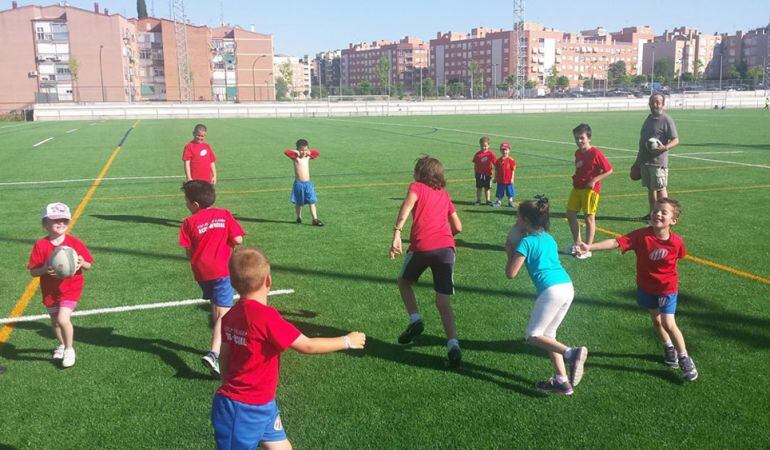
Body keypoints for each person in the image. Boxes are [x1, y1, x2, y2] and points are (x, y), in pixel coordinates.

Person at [211, 247, 366, 450]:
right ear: (268, 281)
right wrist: (347, 340)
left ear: (232, 284)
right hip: (242, 409)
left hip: (263, 405)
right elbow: (308, 345)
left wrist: (228, 382)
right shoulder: (267, 318)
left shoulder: (230, 315)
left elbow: (225, 357)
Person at [576, 198, 697, 381]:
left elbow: (679, 257)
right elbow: (616, 242)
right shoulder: (641, 235)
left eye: (664, 212)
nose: (657, 214)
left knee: (668, 323)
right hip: (645, 287)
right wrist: (589, 246)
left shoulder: (677, 242)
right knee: (656, 322)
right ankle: (668, 347)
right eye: (656, 210)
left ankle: (684, 357)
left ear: (673, 221)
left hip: (667, 288)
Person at [505, 196, 587, 395]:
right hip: (567, 286)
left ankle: (571, 353)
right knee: (549, 335)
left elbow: (511, 273)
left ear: (524, 219)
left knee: (533, 335)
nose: (516, 220)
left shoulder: (526, 242)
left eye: (518, 217)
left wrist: (510, 248)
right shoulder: (548, 238)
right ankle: (561, 381)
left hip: (552, 291)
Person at [389, 156, 463, 367]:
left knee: (404, 282)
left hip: (422, 247)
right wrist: (443, 237)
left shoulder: (417, 187)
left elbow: (406, 206)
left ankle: (415, 319)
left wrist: (396, 233)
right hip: (446, 249)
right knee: (443, 302)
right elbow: (458, 227)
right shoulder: (444, 194)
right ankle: (453, 344)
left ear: (420, 173)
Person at [179, 180, 246, 375]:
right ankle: (215, 354)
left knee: (217, 308)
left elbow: (188, 251)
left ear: (195, 205)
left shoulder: (188, 222)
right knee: (224, 314)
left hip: (201, 272)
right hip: (222, 270)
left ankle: (222, 346)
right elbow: (238, 239)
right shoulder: (224, 214)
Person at [27, 202, 94, 369]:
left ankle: (70, 349)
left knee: (64, 319)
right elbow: (33, 272)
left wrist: (81, 262)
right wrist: (44, 269)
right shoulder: (40, 245)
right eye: (56, 220)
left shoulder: (75, 242)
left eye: (64, 220)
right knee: (55, 322)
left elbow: (88, 265)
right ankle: (62, 344)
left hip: (71, 288)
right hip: (50, 291)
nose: (61, 223)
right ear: (45, 224)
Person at [561, 123, 613, 260]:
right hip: (577, 188)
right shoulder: (577, 152)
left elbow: (609, 170)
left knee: (589, 217)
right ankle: (578, 243)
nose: (579, 141)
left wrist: (594, 180)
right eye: (576, 138)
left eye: (582, 138)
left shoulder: (595, 153)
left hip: (590, 190)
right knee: (570, 213)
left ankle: (587, 248)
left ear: (589, 138)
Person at [632, 93, 679, 220]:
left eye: (657, 102)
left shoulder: (666, 120)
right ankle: (652, 214)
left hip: (658, 163)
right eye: (652, 102)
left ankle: (666, 215)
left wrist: (665, 147)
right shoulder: (648, 119)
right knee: (650, 189)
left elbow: (676, 140)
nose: (654, 105)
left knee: (660, 189)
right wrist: (638, 161)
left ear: (663, 104)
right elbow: (643, 141)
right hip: (645, 161)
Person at [284, 139, 323, 226]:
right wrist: (296, 152)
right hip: (299, 184)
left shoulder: (307, 156)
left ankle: (315, 219)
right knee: (299, 203)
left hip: (308, 184)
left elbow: (316, 153)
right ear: (298, 149)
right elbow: (286, 151)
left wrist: (308, 152)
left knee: (312, 201)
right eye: (302, 150)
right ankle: (299, 217)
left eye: (305, 150)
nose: (303, 152)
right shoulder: (295, 157)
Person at [471, 136, 497, 206]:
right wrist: (475, 173)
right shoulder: (477, 154)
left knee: (487, 188)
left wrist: (495, 174)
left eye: (485, 146)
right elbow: (475, 164)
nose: (483, 147)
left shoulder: (490, 154)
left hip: (488, 174)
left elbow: (495, 163)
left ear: (488, 146)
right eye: (482, 146)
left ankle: (488, 200)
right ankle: (478, 200)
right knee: (479, 188)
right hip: (479, 174)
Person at [492, 141, 516, 208]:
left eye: (506, 150)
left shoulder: (511, 160)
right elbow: (496, 170)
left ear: (509, 151)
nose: (504, 151)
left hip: (508, 180)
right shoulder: (498, 160)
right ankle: (499, 201)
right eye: (502, 150)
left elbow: (513, 170)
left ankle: (510, 201)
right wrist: (495, 178)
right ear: (500, 151)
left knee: (510, 192)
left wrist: (512, 178)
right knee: (500, 191)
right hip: (501, 180)